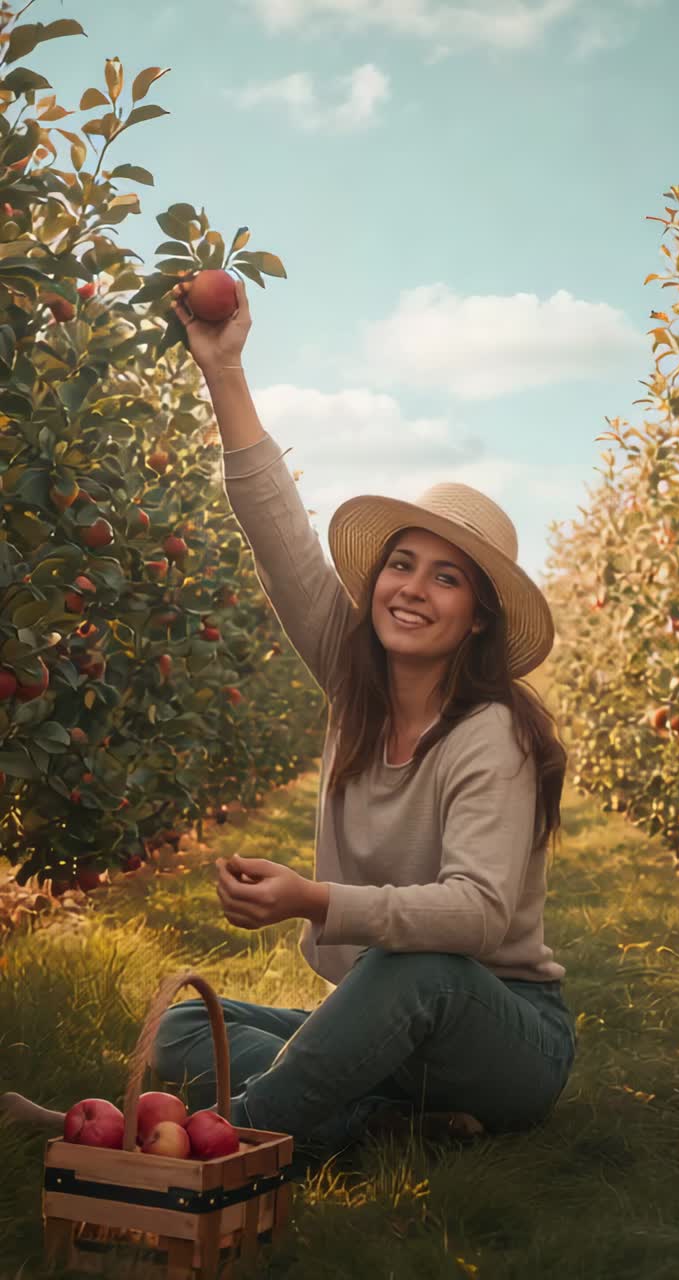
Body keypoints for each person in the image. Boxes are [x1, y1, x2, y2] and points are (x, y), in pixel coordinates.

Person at [149, 278, 577, 1161]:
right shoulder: (356, 688)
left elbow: (476, 920)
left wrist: (315, 900)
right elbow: (280, 538)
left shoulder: (490, 735)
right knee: (186, 1030)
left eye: (446, 577)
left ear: (480, 615)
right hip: (387, 1015)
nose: (412, 590)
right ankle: (374, 1118)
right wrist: (224, 372)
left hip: (501, 1035)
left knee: (411, 963)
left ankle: (226, 1149)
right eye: (401, 565)